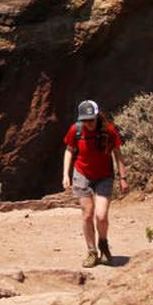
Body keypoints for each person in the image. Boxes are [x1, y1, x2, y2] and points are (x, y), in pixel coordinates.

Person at [61, 98, 128, 267]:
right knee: (87, 214)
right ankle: (91, 252)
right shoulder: (75, 130)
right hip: (82, 174)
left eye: (91, 119)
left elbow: (118, 154)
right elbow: (69, 150)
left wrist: (123, 177)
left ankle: (103, 243)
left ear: (97, 116)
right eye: (85, 120)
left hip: (104, 176)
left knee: (101, 215)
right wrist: (66, 174)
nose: (88, 123)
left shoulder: (109, 131)